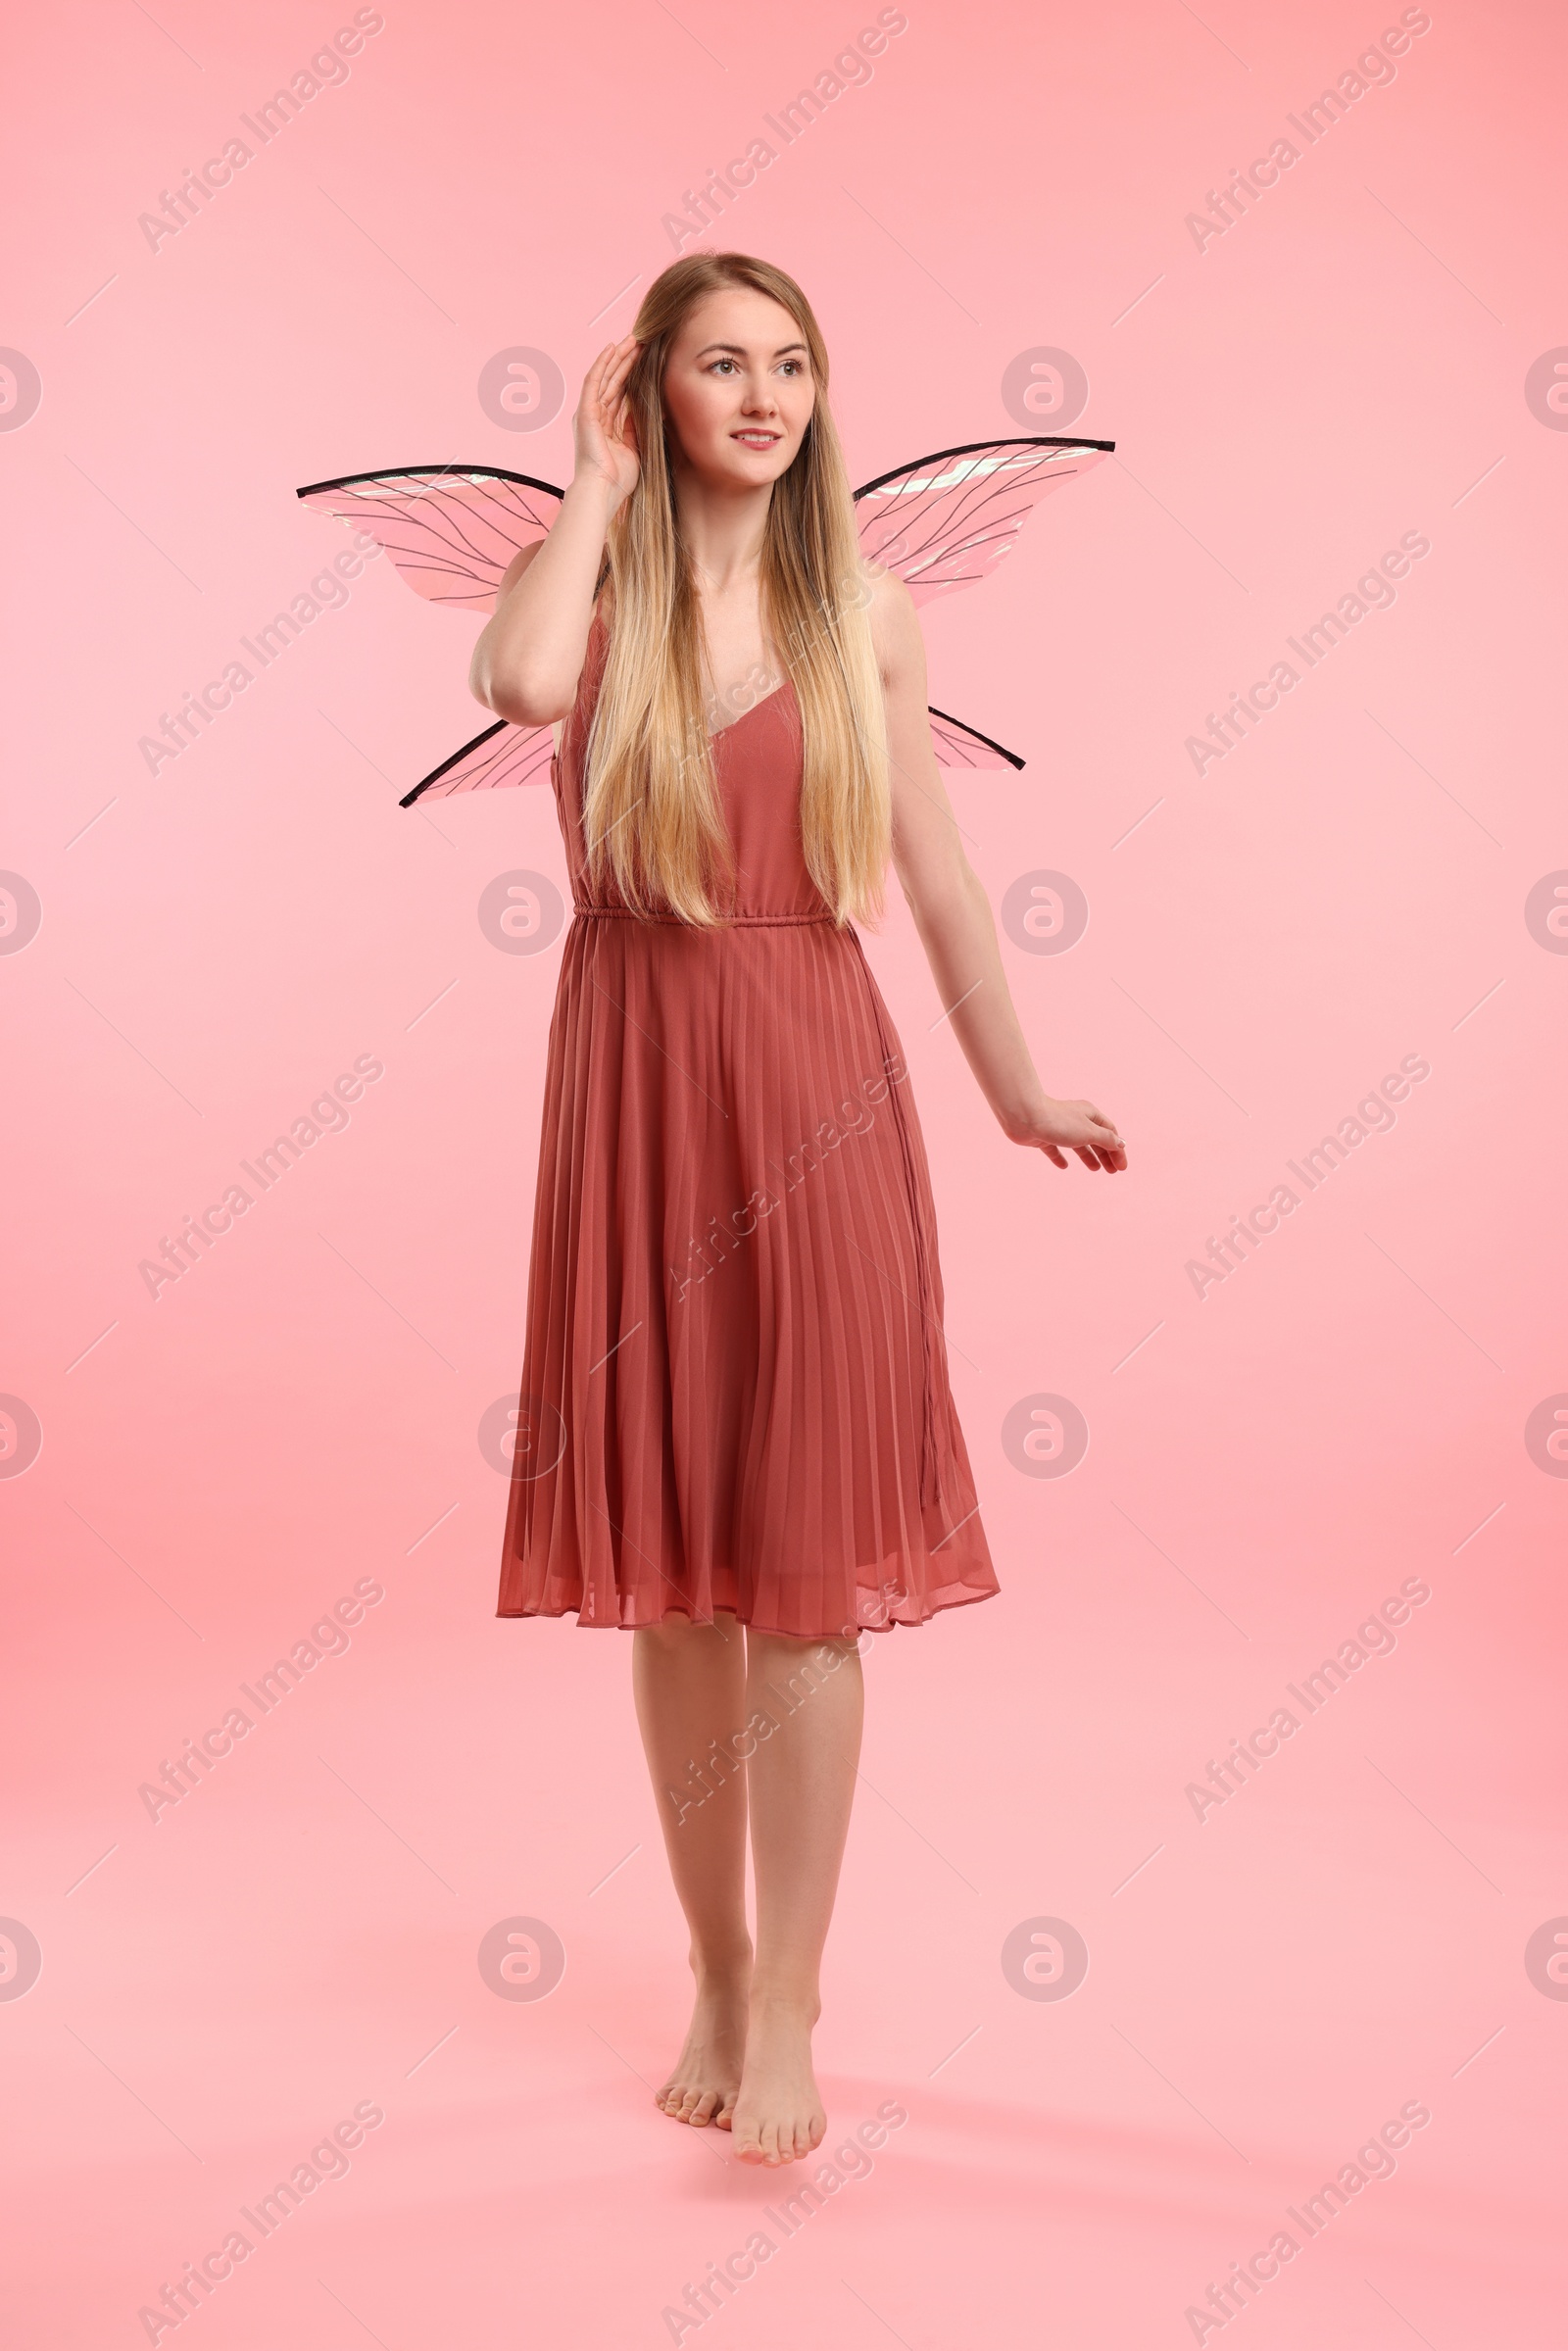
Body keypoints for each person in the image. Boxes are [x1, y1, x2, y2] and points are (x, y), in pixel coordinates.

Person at [468, 252, 1126, 2170]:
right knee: (671, 1589)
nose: (758, 393)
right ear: (650, 391)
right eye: (714, 365)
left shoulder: (870, 615)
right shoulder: (593, 604)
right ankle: (707, 1956)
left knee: (804, 1591)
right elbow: (508, 681)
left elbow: (935, 880)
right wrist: (588, 487)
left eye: (786, 362)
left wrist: (1018, 1090)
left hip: (816, 1101)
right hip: (635, 1097)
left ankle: (787, 1999)